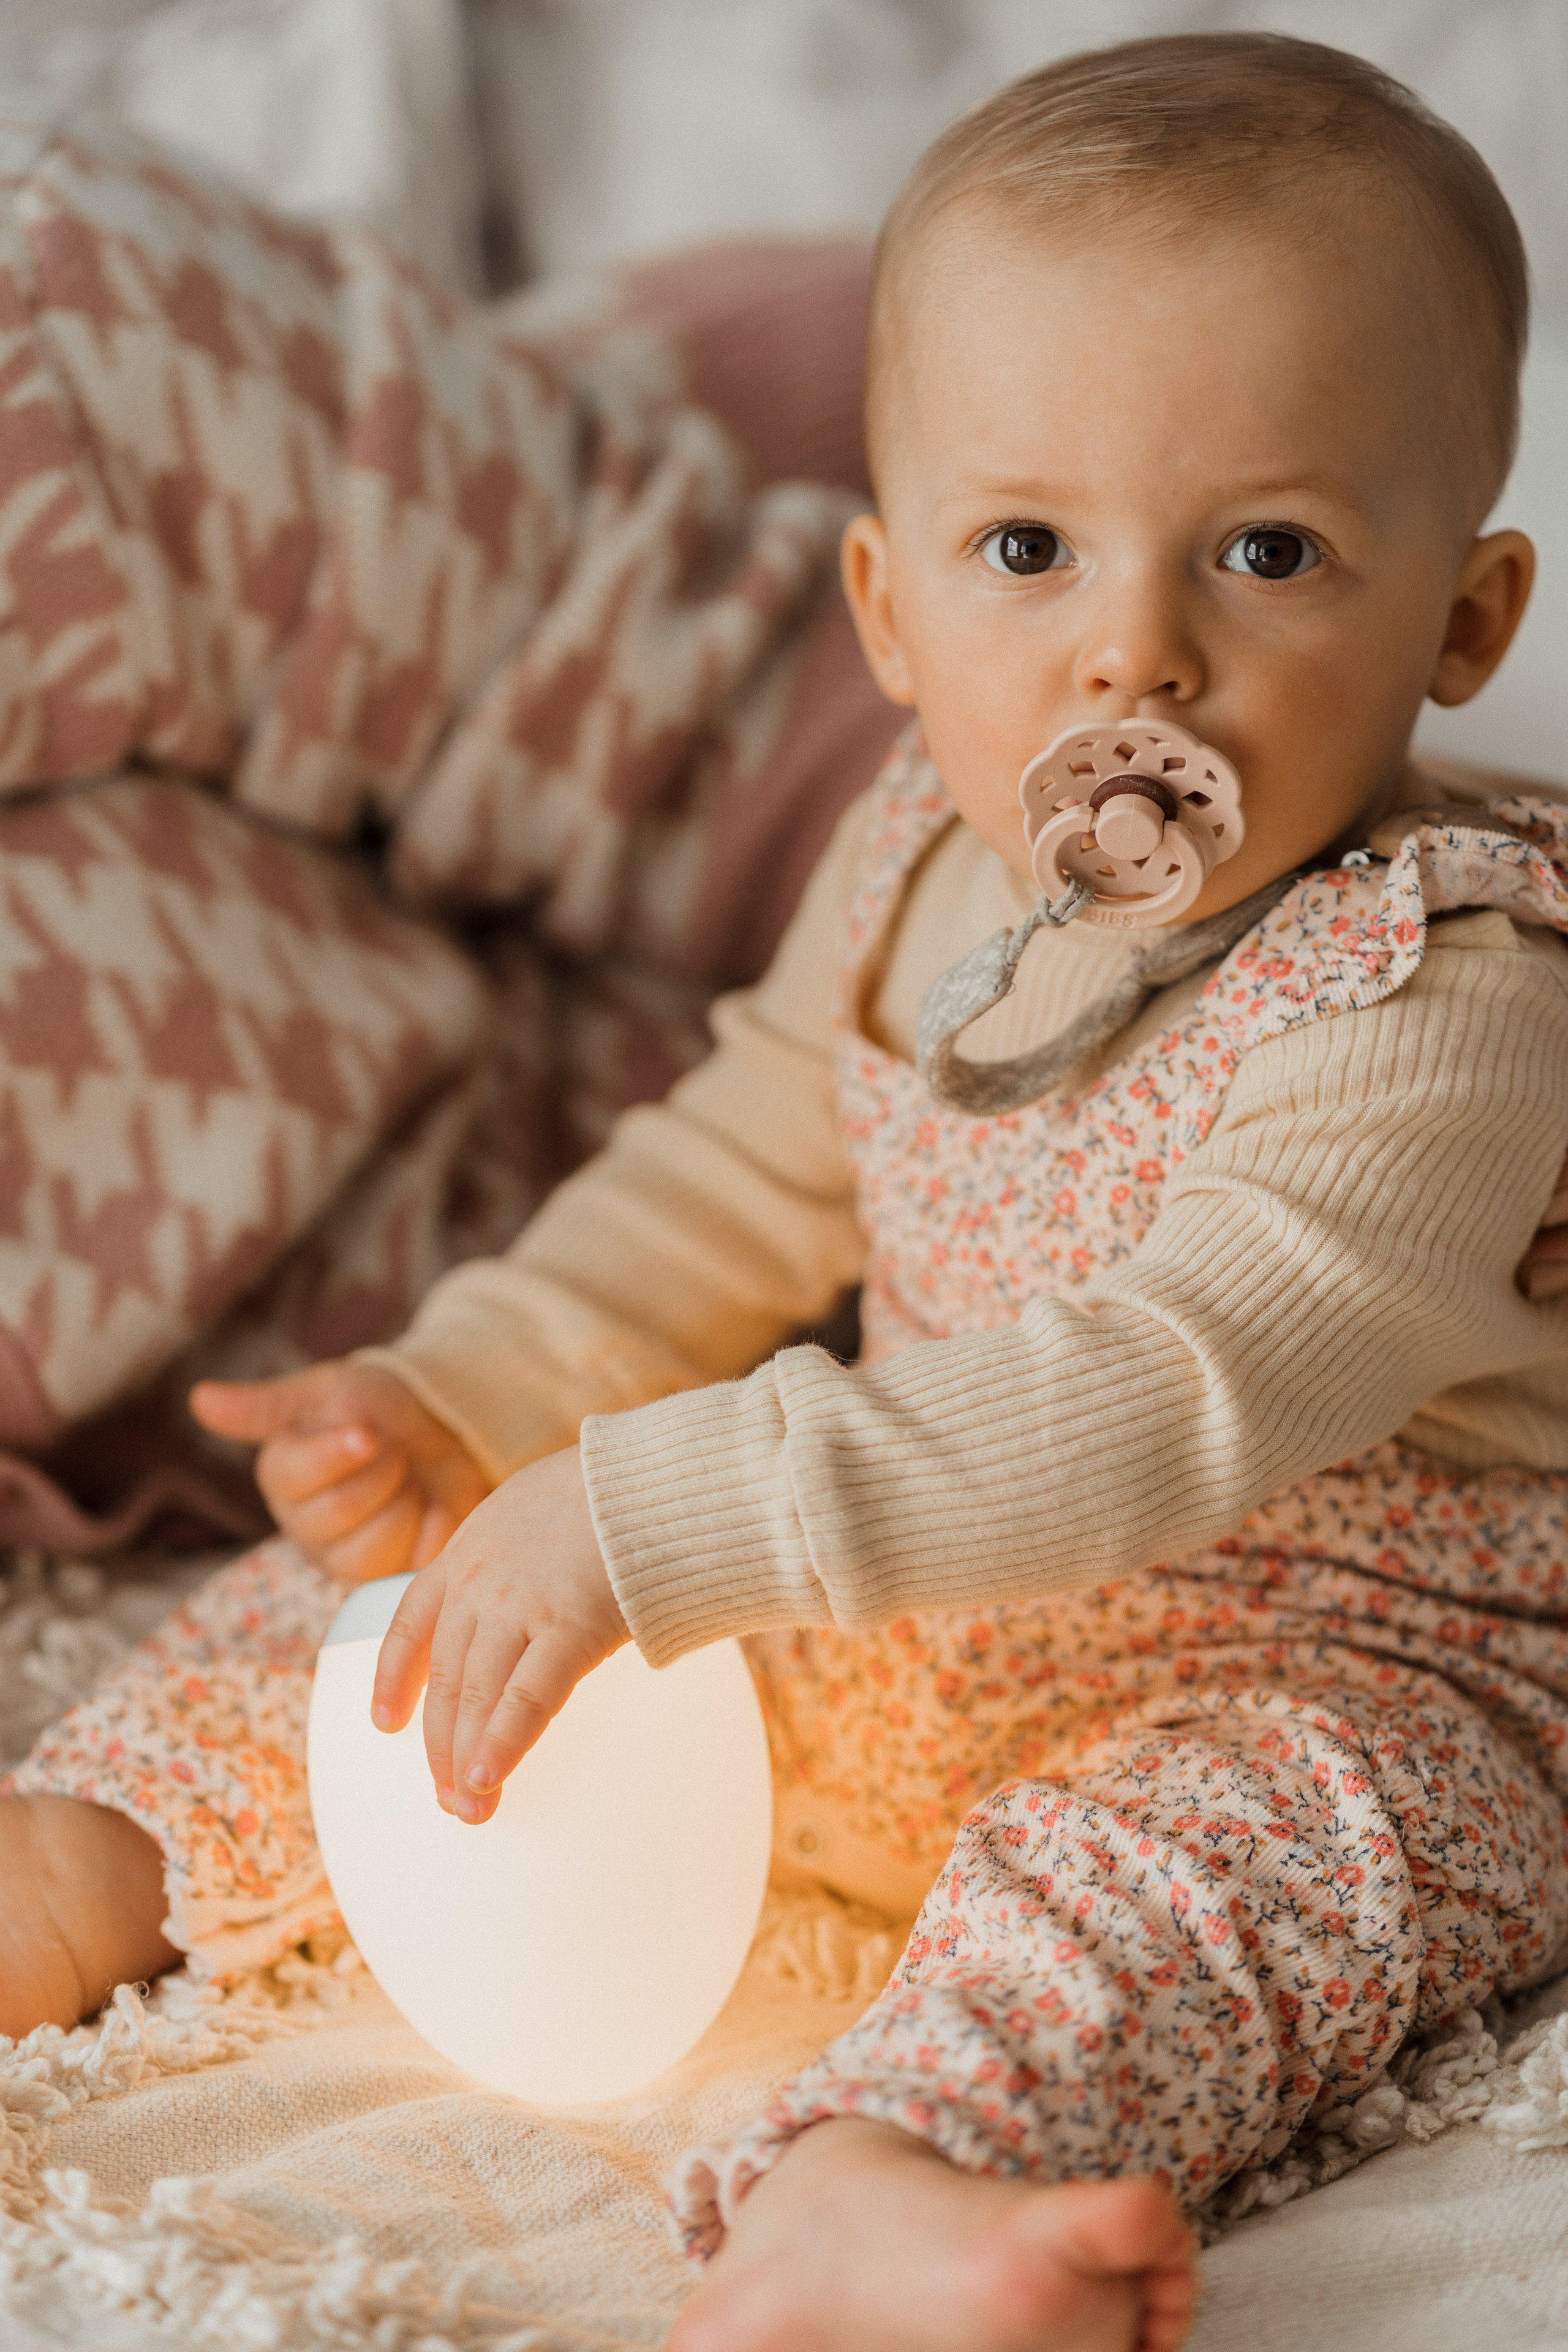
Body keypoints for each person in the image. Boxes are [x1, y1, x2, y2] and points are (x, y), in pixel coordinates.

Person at [4, 30, 1568, 2352]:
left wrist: (663, 1514)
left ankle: (896, 2179)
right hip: (906, 1595)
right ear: (887, 611)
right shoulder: (919, 873)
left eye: (1269, 551)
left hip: (1334, 1656)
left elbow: (1181, 1383)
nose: (1135, 646)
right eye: (1026, 549)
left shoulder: (1444, 980)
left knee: (1209, 1882)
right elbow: (725, 1185)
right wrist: (479, 1398)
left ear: (1459, 622)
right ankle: (84, 1864)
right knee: (406, 1612)